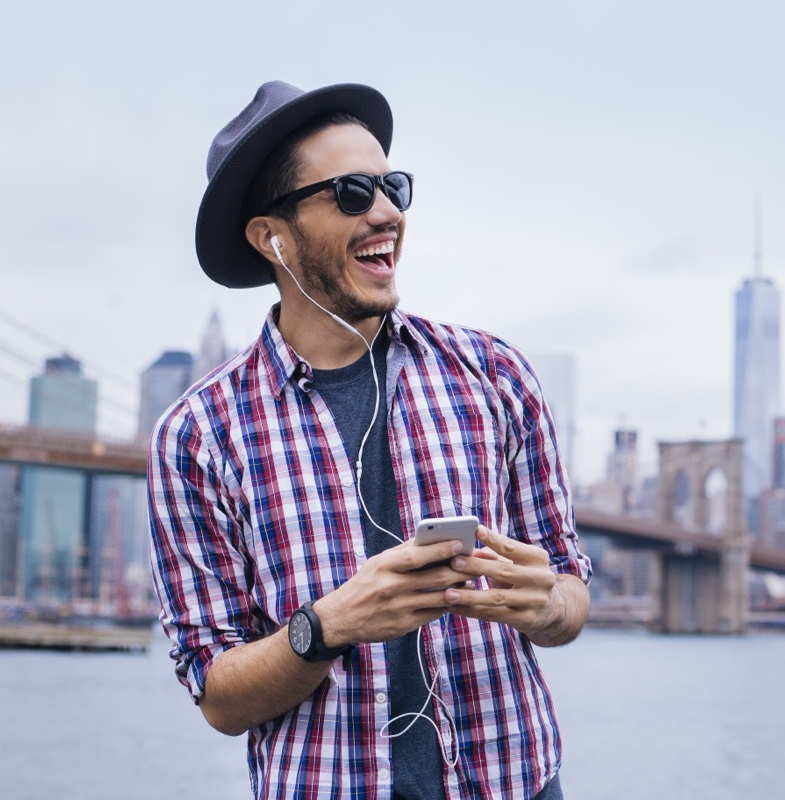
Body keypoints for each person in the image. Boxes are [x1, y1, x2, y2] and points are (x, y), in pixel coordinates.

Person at [148, 80, 591, 800]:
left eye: (393, 187)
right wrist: (324, 627)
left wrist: (549, 608)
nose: (387, 213)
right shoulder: (199, 436)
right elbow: (218, 696)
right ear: (272, 236)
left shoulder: (496, 375)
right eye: (352, 193)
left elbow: (570, 590)